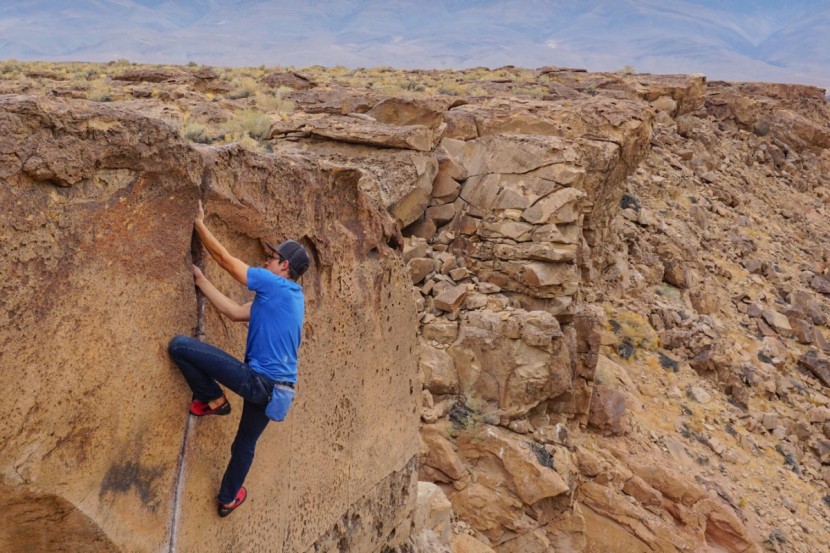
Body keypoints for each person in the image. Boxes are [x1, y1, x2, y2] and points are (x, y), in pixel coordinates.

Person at [168, 200, 309, 517]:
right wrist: (201, 281)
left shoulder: (277, 286)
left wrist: (199, 223)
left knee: (179, 346)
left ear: (284, 266)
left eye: (272, 258)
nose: (267, 261)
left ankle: (213, 399)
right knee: (244, 445)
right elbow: (233, 313)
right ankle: (228, 498)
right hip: (278, 392)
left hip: (260, 383)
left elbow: (227, 262)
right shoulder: (287, 299)